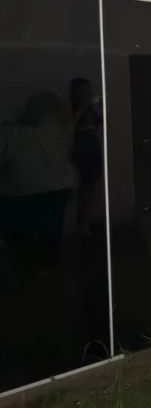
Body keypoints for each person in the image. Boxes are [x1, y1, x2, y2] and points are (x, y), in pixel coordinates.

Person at [0, 92, 74, 283]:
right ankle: (45, 272)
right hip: (55, 189)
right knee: (50, 234)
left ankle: (24, 272)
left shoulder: (11, 132)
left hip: (19, 191)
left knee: (20, 236)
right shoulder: (61, 131)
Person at [69, 79, 103, 235]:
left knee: (92, 184)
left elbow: (100, 121)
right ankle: (82, 222)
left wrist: (98, 105)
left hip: (92, 144)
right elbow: (71, 125)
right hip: (82, 146)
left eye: (88, 90)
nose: (86, 94)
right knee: (85, 185)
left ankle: (86, 220)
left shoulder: (91, 108)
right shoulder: (75, 108)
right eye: (82, 91)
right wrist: (83, 106)